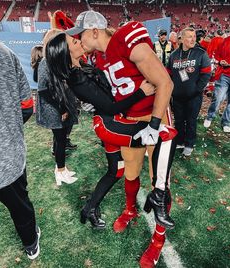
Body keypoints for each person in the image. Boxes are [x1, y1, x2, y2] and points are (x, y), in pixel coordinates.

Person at [66, 10, 176, 267]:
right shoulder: (98, 57)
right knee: (131, 173)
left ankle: (158, 240)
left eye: (80, 34)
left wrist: (155, 124)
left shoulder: (127, 38)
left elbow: (166, 84)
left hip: (155, 115)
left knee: (160, 184)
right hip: (130, 121)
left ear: (95, 31)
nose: (78, 39)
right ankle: (130, 210)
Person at [44, 31, 157, 228]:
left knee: (116, 171)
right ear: (66, 52)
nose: (78, 41)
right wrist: (141, 92)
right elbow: (111, 107)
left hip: (110, 122)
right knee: (158, 135)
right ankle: (158, 197)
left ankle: (89, 208)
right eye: (73, 41)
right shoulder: (76, 77)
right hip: (110, 124)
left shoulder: (82, 66)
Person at [0, 41, 40, 260]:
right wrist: (9, 130)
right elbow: (27, 105)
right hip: (7, 156)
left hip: (7, 154)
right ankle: (30, 242)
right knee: (20, 206)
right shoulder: (5, 53)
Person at [36, 29, 78, 186]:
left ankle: (61, 168)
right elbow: (43, 90)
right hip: (53, 108)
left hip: (59, 106)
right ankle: (60, 171)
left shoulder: (56, 61)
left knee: (60, 139)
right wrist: (61, 109)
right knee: (60, 139)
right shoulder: (45, 62)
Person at [167, 27, 211, 156]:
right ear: (181, 39)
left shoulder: (201, 53)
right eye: (189, 37)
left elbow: (206, 74)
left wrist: (196, 90)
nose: (193, 39)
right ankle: (180, 141)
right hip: (177, 96)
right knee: (179, 120)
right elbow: (168, 74)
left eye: (194, 36)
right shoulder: (174, 55)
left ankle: (189, 143)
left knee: (191, 121)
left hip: (194, 96)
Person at [204, 31, 230, 133]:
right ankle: (209, 117)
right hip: (225, 74)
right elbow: (217, 55)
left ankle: (226, 122)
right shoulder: (226, 40)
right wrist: (220, 61)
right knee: (218, 99)